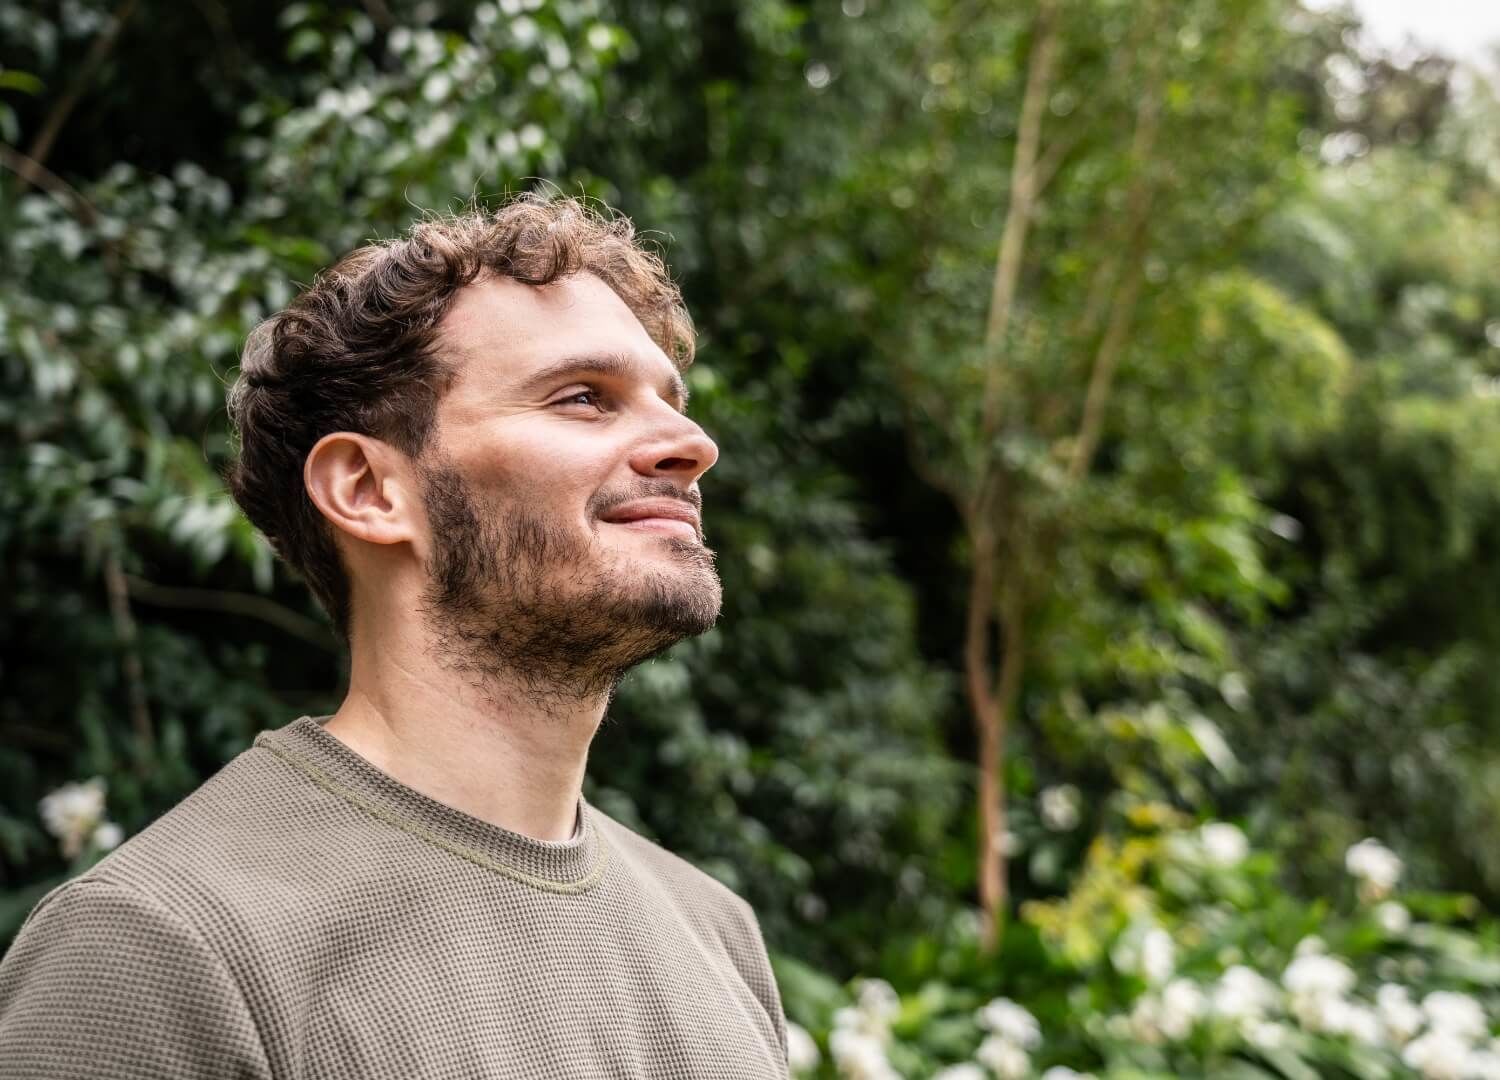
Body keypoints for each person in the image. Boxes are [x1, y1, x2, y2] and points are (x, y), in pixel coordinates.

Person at [0, 195, 791, 1079]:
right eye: (583, 398)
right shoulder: (159, 946)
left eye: (672, 403)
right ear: (369, 491)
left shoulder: (717, 933)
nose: (692, 444)